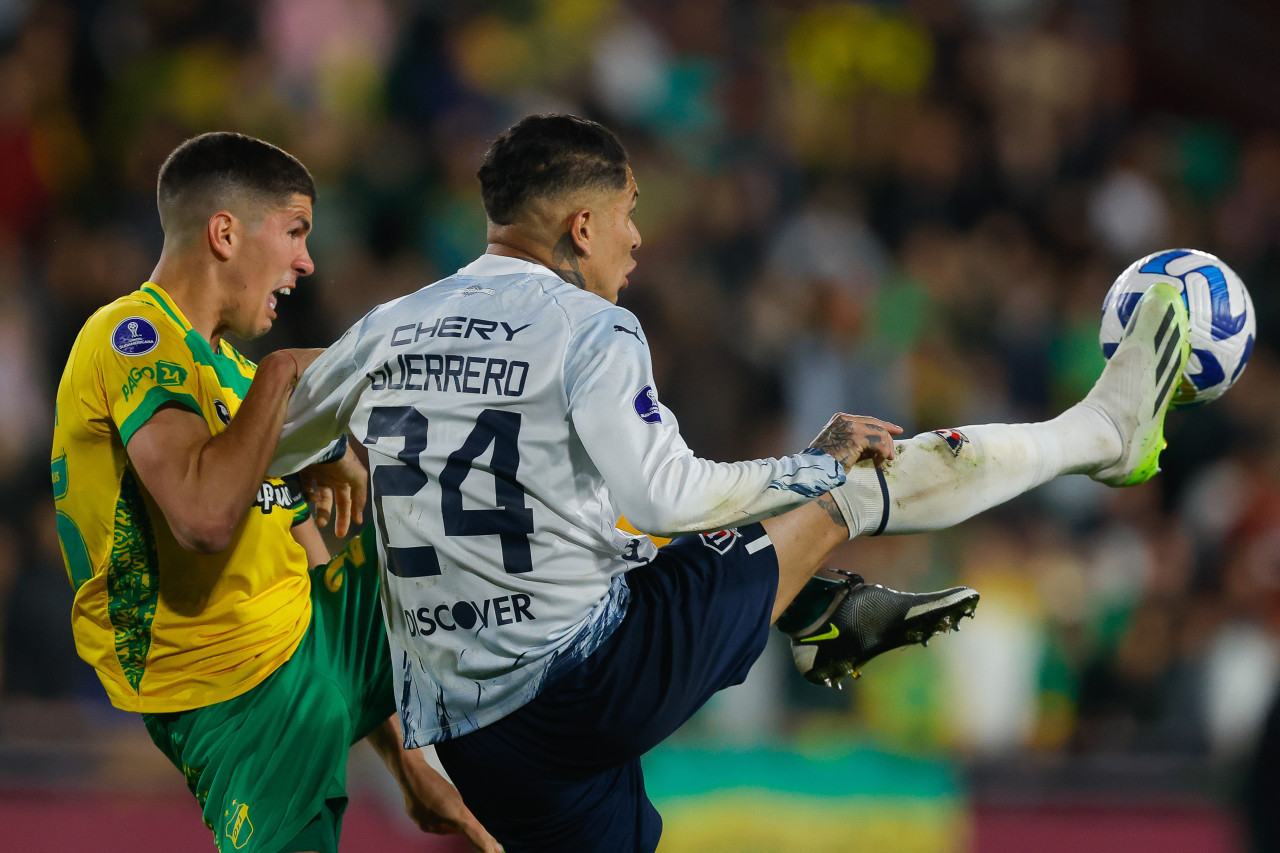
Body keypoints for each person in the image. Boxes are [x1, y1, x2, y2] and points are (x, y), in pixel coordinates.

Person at [269, 114, 1190, 851]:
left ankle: (808, 605)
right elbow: (666, 495)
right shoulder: (593, 331)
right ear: (580, 226)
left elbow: (272, 451)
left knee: (619, 545)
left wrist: (326, 460)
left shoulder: (390, 325)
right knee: (852, 490)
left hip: (471, 737)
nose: (637, 238)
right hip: (586, 685)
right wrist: (812, 464)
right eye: (629, 212)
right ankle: (1099, 434)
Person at [51, 132, 500, 853]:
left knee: (477, 531)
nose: (306, 261)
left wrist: (409, 757)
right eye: (294, 231)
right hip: (236, 699)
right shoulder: (129, 335)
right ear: (224, 233)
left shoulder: (232, 374)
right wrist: (288, 374)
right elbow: (203, 518)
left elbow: (304, 553)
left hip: (307, 638)